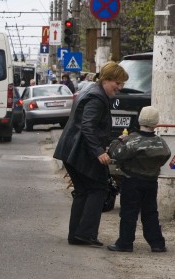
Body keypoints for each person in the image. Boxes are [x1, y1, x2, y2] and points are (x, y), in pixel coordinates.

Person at [53, 61, 128, 247]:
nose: (119, 88)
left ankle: (77, 234)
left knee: (83, 191)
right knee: (97, 189)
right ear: (107, 79)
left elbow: (88, 125)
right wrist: (98, 151)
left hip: (72, 150)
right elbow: (87, 126)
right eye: (117, 83)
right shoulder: (97, 97)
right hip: (81, 152)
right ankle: (85, 234)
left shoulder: (91, 90)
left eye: (121, 84)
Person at [106, 106, 171, 253]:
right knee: (150, 212)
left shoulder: (131, 140)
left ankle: (125, 243)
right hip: (151, 182)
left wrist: (118, 140)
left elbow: (115, 153)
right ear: (156, 123)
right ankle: (157, 244)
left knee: (129, 213)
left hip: (132, 181)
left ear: (140, 120)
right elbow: (166, 156)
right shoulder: (161, 142)